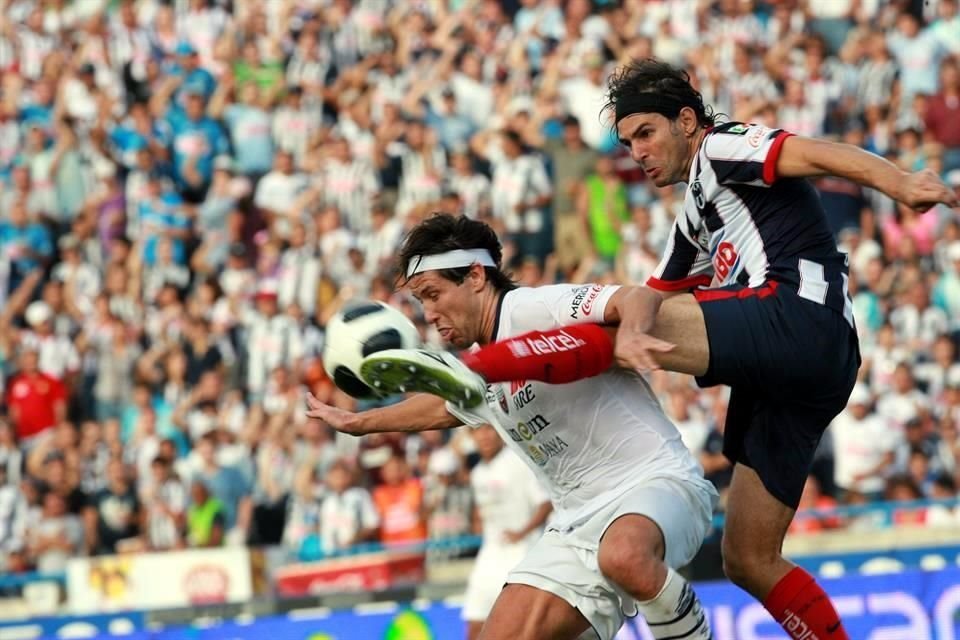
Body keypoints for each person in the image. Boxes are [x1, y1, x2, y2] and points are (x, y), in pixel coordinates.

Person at [361, 60, 959, 640]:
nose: (639, 152)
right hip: (796, 375)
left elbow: (814, 153)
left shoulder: (723, 148)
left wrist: (899, 182)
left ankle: (476, 370)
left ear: (687, 121)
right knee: (748, 558)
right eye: (627, 142)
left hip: (800, 316)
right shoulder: (694, 218)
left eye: (646, 133)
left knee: (611, 333)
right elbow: (651, 296)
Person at [307, 214, 716, 640]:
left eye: (433, 295)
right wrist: (359, 422)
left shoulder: (532, 309)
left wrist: (629, 333)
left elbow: (634, 298)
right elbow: (446, 406)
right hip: (576, 528)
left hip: (657, 483)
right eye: (421, 303)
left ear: (477, 276)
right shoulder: (482, 366)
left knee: (624, 555)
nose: (428, 314)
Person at [463, 423, 552, 640]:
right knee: (475, 625)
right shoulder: (477, 473)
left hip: (522, 553)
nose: (484, 436)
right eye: (477, 431)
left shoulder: (519, 462)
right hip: (490, 554)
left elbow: (545, 503)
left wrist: (522, 532)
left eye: (488, 429)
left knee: (519, 629)